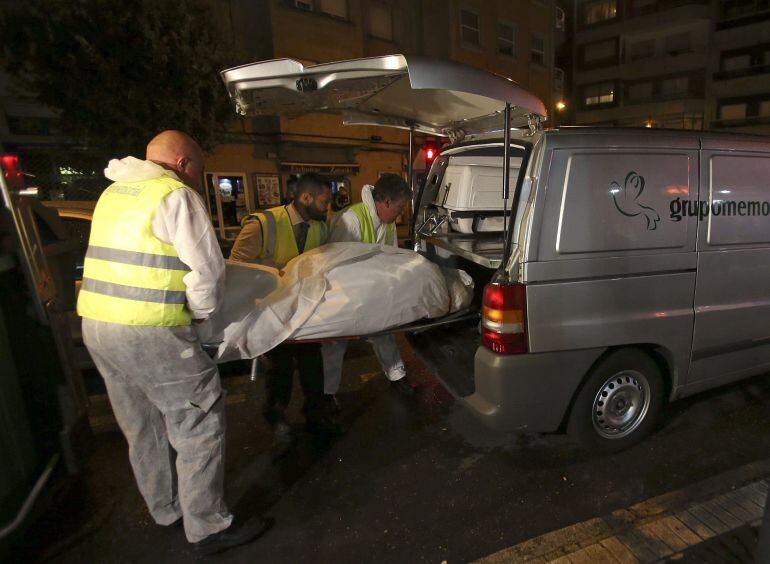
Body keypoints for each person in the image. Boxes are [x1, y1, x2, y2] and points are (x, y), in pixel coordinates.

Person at [77, 131, 271, 554]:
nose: (199, 180)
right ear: (183, 163)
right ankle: (207, 527)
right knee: (197, 417)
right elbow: (207, 272)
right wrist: (202, 320)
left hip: (96, 325)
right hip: (150, 329)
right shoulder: (174, 196)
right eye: (199, 170)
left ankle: (165, 508)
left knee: (140, 422)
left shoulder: (113, 193)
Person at [230, 172, 341, 437]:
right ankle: (275, 413)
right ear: (306, 197)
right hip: (270, 311)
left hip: (305, 312)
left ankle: (315, 414)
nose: (328, 207)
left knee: (313, 366)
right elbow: (235, 269)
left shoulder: (320, 227)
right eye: (324, 201)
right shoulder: (263, 224)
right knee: (280, 370)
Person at [323, 173, 417, 407]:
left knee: (384, 335)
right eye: (400, 207)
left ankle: (397, 376)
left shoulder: (388, 224)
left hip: (373, 291)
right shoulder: (352, 219)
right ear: (385, 202)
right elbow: (335, 263)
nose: (401, 213)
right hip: (343, 293)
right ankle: (326, 395)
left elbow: (392, 258)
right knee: (335, 345)